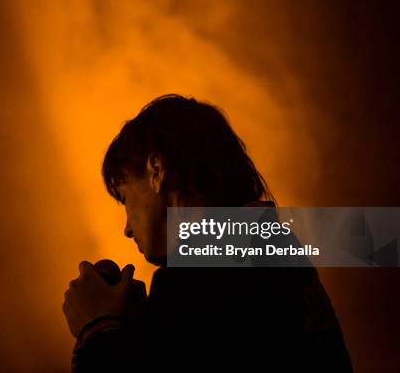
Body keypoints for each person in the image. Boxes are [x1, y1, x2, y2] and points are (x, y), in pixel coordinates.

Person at [62, 94, 352, 372]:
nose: (126, 228)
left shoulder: (204, 272)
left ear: (156, 170)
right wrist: (144, 331)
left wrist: (97, 328)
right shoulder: (270, 253)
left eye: (126, 199)